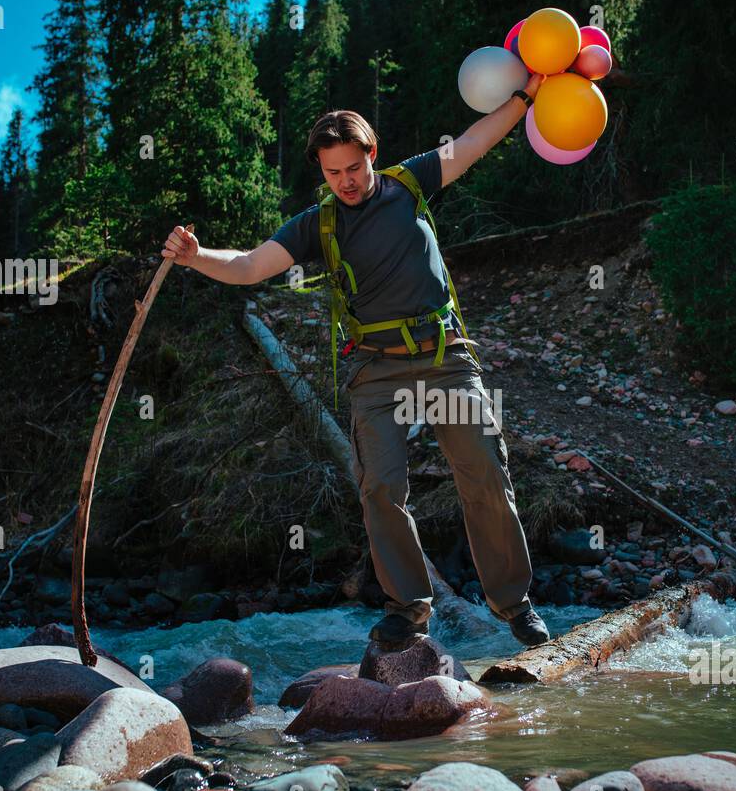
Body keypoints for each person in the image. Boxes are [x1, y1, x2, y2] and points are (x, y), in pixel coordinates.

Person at [162, 72, 551, 648]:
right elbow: (246, 265)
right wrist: (196, 257)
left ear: (373, 155)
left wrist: (523, 98)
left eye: (353, 167)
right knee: (380, 489)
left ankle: (514, 605)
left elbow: (473, 143)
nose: (345, 181)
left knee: (486, 474)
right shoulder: (316, 224)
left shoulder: (410, 182)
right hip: (375, 369)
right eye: (332, 172)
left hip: (445, 359)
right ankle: (408, 608)